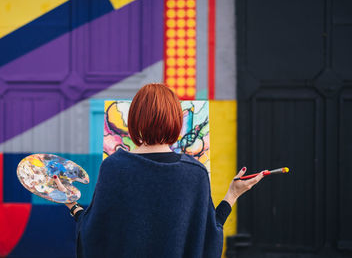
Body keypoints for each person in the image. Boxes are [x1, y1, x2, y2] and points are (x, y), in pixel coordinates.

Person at [55, 83, 264, 258]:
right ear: (176, 120)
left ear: (135, 120)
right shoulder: (195, 173)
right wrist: (233, 194)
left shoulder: (114, 167)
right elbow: (208, 238)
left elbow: (94, 235)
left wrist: (71, 204)